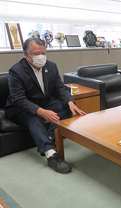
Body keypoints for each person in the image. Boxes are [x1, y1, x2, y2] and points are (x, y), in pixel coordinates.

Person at [5, 38, 86, 174]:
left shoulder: (51, 66)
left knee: (66, 107)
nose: (41, 57)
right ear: (26, 54)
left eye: (43, 53)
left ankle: (48, 138)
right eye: (36, 54)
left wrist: (70, 102)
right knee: (34, 117)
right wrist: (41, 112)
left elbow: (60, 88)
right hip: (19, 107)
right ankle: (51, 154)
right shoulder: (16, 71)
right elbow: (19, 99)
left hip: (44, 102)